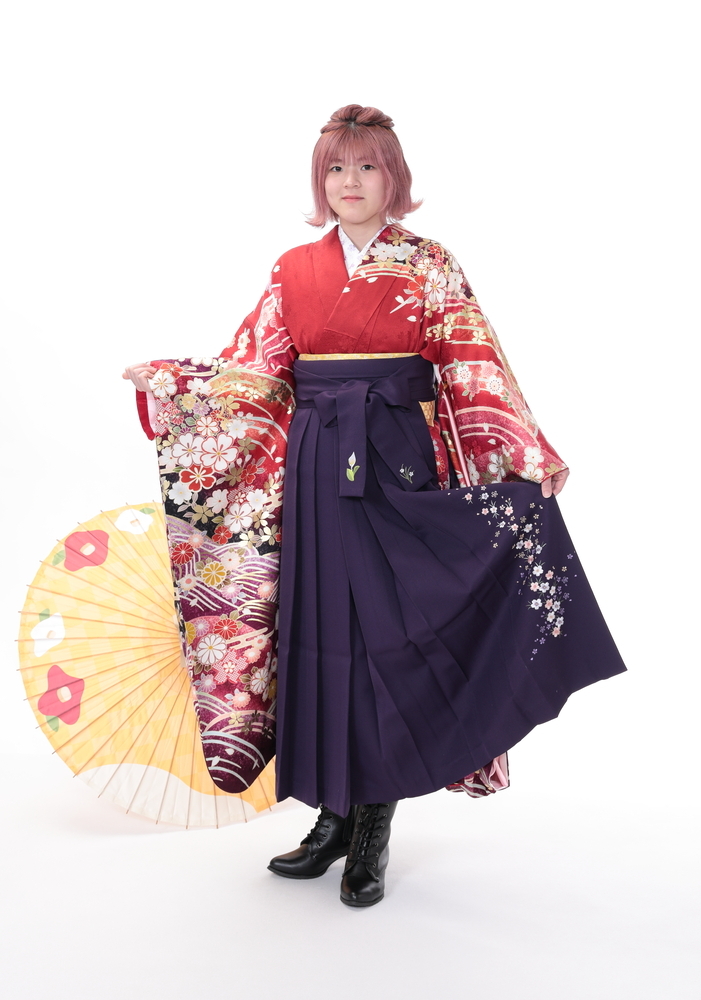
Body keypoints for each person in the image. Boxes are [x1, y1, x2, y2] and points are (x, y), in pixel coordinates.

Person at [123, 104, 625, 908]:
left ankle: (373, 826)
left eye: (366, 166)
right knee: (319, 633)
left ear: (395, 177)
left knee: (389, 636)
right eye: (335, 167)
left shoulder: (428, 264)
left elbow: (473, 363)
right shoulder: (293, 268)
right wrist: (175, 383)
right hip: (316, 463)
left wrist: (523, 455)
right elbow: (254, 369)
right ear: (318, 180)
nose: (349, 182)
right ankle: (331, 816)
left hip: (395, 456)